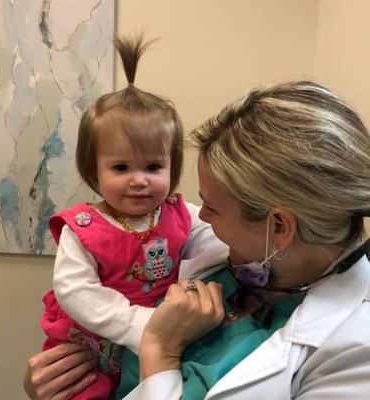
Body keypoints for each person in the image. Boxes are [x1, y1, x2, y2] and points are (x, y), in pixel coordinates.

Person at [25, 80, 370, 400]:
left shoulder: (353, 352)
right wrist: (53, 385)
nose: (200, 216)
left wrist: (160, 349)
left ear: (279, 227)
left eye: (213, 208)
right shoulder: (228, 263)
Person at [37, 34, 228, 400]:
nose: (139, 180)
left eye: (153, 166)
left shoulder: (177, 213)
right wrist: (138, 324)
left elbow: (213, 240)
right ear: (94, 172)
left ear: (173, 167)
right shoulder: (84, 230)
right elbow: (76, 292)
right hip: (88, 347)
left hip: (157, 339)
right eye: (121, 167)